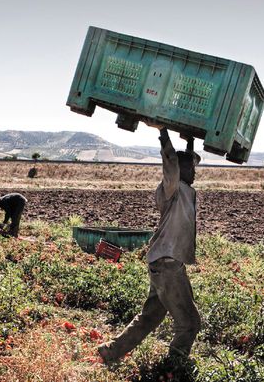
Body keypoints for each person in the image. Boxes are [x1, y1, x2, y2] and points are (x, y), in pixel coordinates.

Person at [98, 126, 201, 364]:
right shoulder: (171, 189)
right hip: (167, 265)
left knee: (150, 317)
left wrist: (191, 143)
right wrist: (163, 133)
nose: (195, 172)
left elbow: (181, 164)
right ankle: (174, 367)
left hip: (165, 263)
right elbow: (172, 164)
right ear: (179, 169)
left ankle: (111, 351)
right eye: (191, 166)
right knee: (189, 322)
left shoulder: (184, 189)